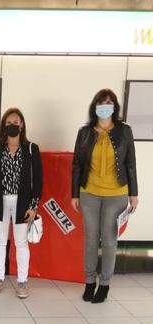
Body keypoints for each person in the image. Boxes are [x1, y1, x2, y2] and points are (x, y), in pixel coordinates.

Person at [71, 88, 138, 304]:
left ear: (115, 106)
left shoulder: (125, 131)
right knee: (91, 240)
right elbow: (77, 165)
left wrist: (134, 194)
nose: (104, 106)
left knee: (109, 242)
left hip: (116, 194)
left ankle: (105, 284)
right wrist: (75, 194)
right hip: (89, 193)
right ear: (95, 106)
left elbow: (130, 164)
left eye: (108, 102)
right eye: (101, 102)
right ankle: (90, 282)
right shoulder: (85, 132)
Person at [0, 107, 42, 299]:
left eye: (16, 123)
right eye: (9, 123)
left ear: (22, 124)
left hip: (22, 202)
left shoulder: (32, 149)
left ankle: (22, 281)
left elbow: (38, 181)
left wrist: (33, 207)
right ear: (3, 126)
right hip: (0, 201)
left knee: (21, 242)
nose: (12, 126)